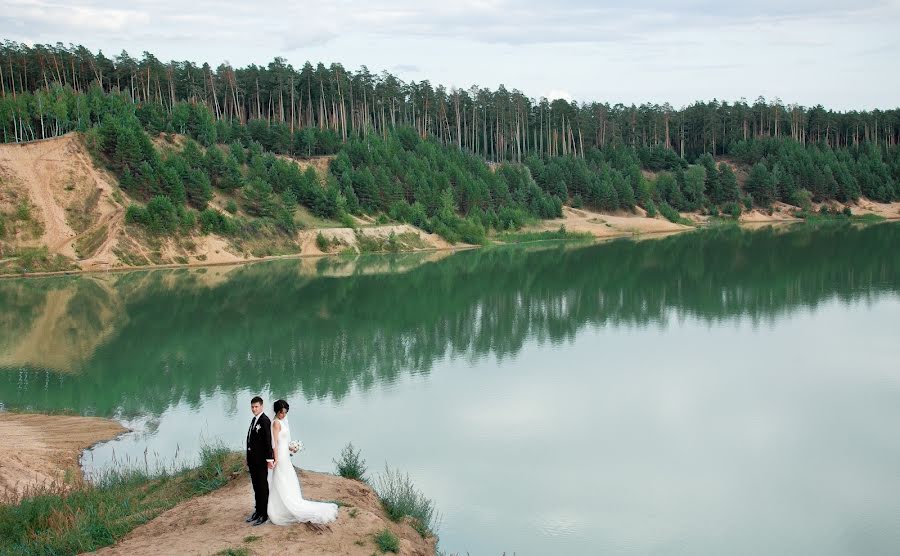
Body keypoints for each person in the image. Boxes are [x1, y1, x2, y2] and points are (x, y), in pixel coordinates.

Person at [267, 399, 339, 525]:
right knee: (280, 480)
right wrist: (276, 459)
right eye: (281, 412)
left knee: (288, 479)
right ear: (277, 411)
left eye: (285, 412)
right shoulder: (276, 424)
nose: (284, 415)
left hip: (285, 455)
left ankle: (287, 504)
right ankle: (280, 508)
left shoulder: (282, 422)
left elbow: (283, 441)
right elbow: (274, 443)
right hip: (280, 457)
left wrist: (291, 447)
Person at [245, 396, 274, 526]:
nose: (254, 409)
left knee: (262, 487)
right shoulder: (254, 419)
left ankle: (264, 514)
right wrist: (248, 457)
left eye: (256, 407)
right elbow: (250, 440)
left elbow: (268, 441)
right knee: (256, 486)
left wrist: (269, 459)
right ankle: (257, 511)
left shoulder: (265, 421)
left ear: (262, 406)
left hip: (261, 461)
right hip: (253, 460)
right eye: (252, 407)